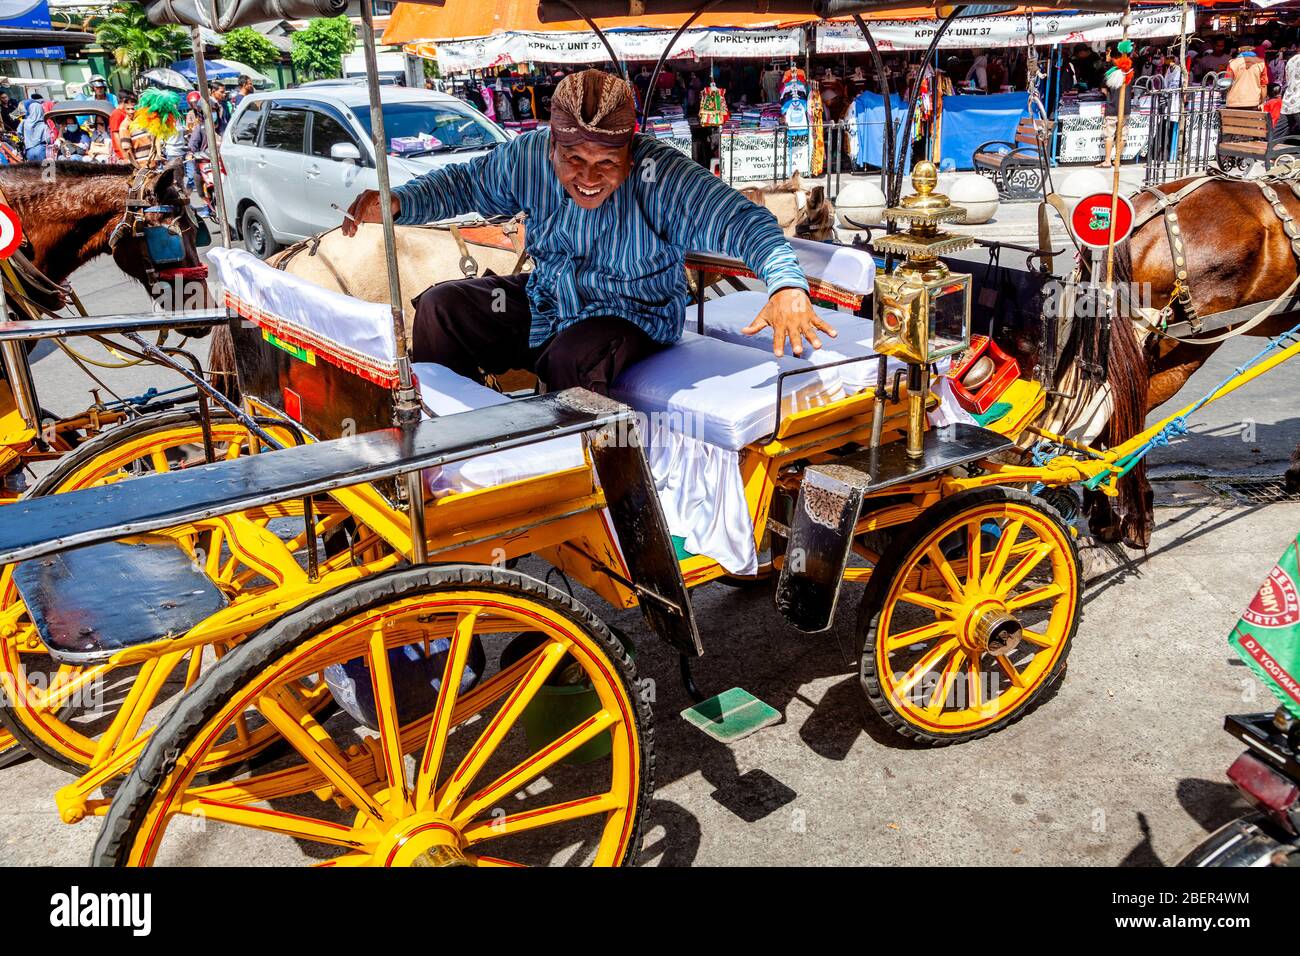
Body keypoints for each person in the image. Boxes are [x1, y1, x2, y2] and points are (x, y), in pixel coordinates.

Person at [342, 68, 828, 396]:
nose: (589, 177)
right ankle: (457, 444)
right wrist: (398, 203)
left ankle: (570, 485)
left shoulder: (663, 176)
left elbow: (745, 222)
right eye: (574, 159)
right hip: (548, 301)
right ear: (552, 145)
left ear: (630, 155)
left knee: (572, 358)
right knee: (440, 308)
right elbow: (466, 183)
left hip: (631, 314)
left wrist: (786, 283)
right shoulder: (527, 155)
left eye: (607, 164)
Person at [1226, 43, 1268, 109]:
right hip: (1253, 102)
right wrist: (1263, 102)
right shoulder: (1261, 63)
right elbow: (1263, 85)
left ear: (1239, 50)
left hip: (1233, 102)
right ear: (1253, 49)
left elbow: (1227, 83)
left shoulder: (1232, 63)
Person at [19, 96, 49, 161]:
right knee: (44, 170)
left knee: (32, 170)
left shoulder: (24, 122)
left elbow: (19, 133)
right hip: (41, 150)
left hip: (29, 151)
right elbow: (48, 138)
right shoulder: (45, 123)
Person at [108, 91, 136, 160]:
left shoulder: (126, 113)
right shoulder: (117, 113)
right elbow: (116, 135)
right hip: (124, 154)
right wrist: (124, 154)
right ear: (124, 100)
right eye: (131, 100)